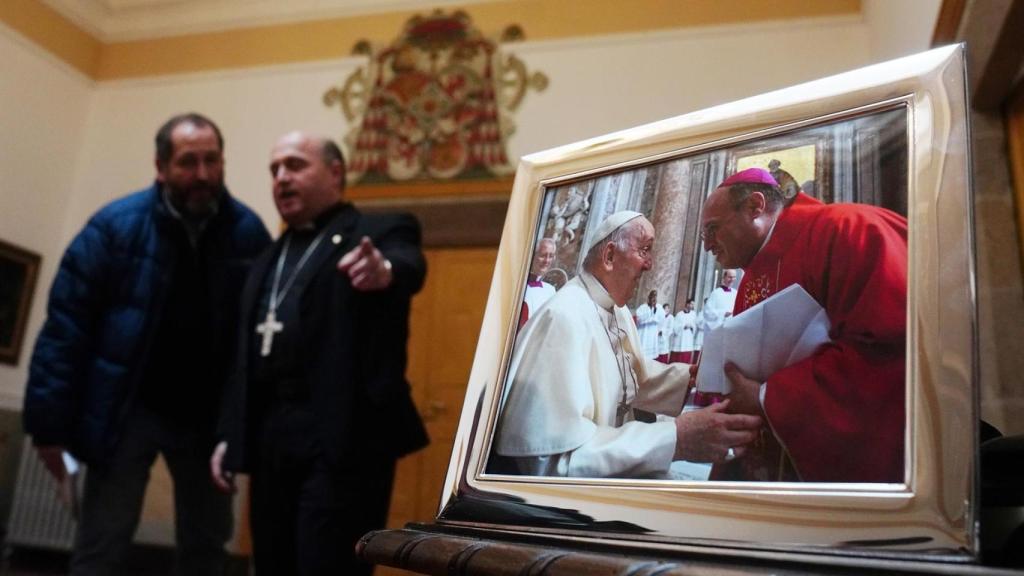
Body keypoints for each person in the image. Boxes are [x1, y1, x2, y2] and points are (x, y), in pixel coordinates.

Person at [22, 113, 272, 575]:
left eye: (212, 160)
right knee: (103, 541)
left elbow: (255, 340)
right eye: (188, 162)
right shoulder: (113, 227)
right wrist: (48, 427)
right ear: (160, 167)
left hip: (206, 418)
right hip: (126, 409)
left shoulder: (248, 234)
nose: (203, 174)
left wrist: (242, 424)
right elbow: (65, 330)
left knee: (207, 546)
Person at [211, 131, 428, 575]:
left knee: (328, 565)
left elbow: (408, 263)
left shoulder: (379, 231)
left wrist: (385, 269)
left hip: (343, 436)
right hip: (271, 434)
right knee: (272, 562)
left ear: (335, 173)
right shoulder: (268, 257)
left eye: (294, 165)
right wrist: (230, 433)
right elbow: (242, 358)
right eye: (274, 169)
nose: (281, 177)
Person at [492, 211, 762, 478]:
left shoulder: (615, 309)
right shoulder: (563, 318)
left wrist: (688, 377)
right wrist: (676, 439)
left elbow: (626, 376)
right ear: (609, 256)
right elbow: (549, 461)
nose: (650, 265)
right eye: (644, 250)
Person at [699, 167, 907, 483]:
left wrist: (766, 397)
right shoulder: (753, 274)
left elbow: (887, 356)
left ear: (755, 207)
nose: (707, 246)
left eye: (713, 229)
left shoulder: (848, 229)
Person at [518, 237, 557, 328]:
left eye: (551, 256)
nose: (547, 260)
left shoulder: (551, 291)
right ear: (532, 255)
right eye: (543, 255)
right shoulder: (519, 286)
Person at [700, 268, 737, 334]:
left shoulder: (735, 293)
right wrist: (723, 313)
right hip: (718, 329)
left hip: (731, 328)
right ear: (724, 277)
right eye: (730, 277)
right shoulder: (716, 293)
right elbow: (707, 312)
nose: (732, 280)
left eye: (734, 277)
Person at [634, 289, 661, 360]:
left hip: (652, 333)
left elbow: (661, 318)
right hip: (643, 332)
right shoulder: (643, 307)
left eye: (655, 297)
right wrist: (649, 313)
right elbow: (639, 318)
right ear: (649, 298)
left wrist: (654, 310)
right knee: (642, 354)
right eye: (652, 297)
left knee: (650, 357)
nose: (654, 299)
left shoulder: (659, 307)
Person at [670, 299, 699, 363]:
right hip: (680, 338)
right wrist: (683, 326)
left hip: (688, 338)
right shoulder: (679, 314)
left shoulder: (694, 314)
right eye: (691, 304)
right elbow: (675, 326)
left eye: (693, 305)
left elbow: (695, 325)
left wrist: (692, 326)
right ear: (687, 304)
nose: (692, 306)